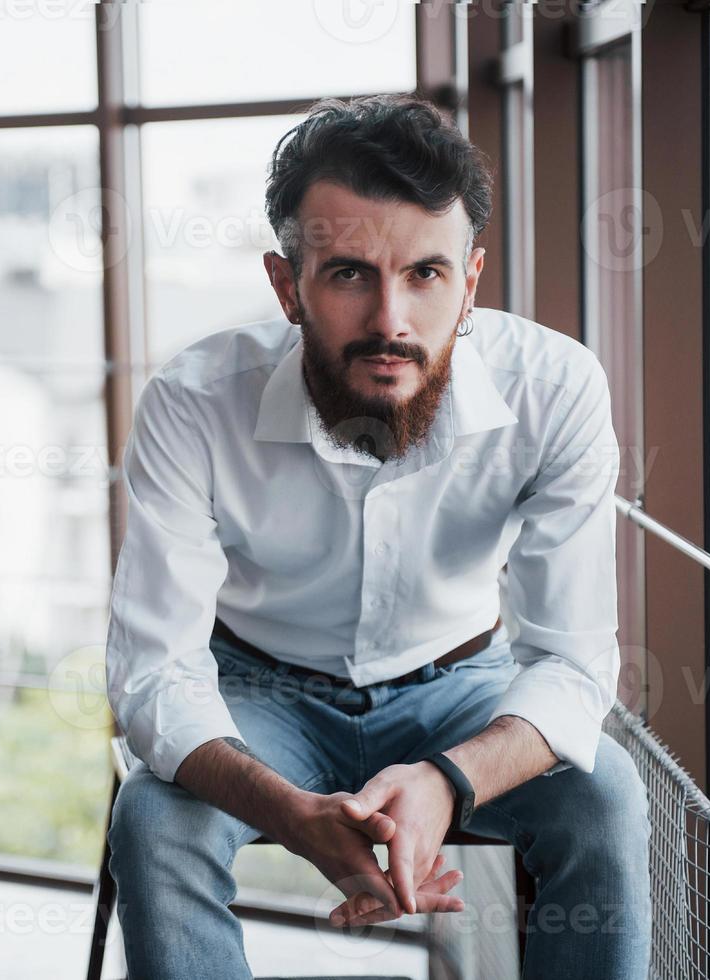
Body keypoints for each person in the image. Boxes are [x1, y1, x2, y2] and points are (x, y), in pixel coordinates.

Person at [102, 93, 651, 980]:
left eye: (425, 275)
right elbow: (153, 672)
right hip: (259, 694)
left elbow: (573, 663)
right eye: (350, 273)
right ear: (288, 286)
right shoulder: (193, 401)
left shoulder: (556, 390)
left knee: (603, 798)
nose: (391, 320)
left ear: (469, 282)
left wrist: (447, 781)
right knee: (154, 822)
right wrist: (290, 813)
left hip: (464, 683)